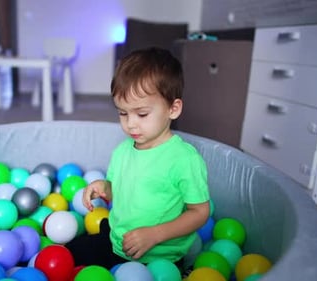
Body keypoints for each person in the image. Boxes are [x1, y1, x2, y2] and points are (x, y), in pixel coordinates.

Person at [65, 47, 210, 271]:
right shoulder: (122, 151)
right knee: (66, 253)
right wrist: (103, 187)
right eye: (123, 113)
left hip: (158, 258)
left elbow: (200, 212)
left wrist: (154, 235)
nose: (130, 123)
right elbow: (120, 194)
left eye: (141, 114)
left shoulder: (184, 159)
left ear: (173, 109)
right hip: (116, 242)